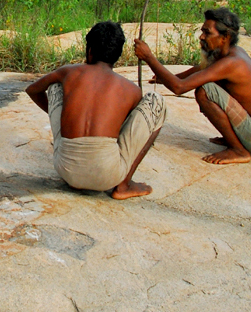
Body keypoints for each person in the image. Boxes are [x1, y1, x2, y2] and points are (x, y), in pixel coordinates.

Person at [26, 21, 166, 199]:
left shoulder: (68, 72)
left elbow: (32, 90)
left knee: (55, 87)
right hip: (107, 176)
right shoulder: (131, 89)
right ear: (117, 55)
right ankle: (123, 185)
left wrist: (65, 116)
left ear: (90, 51)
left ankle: (83, 179)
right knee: (156, 101)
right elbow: (126, 130)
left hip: (66, 170)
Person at [134, 8, 251, 165]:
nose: (202, 37)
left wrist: (149, 58)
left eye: (207, 33)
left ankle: (239, 150)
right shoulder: (228, 53)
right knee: (207, 85)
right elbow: (202, 70)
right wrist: (168, 77)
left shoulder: (231, 63)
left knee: (205, 91)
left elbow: (179, 88)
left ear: (225, 37)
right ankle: (235, 139)